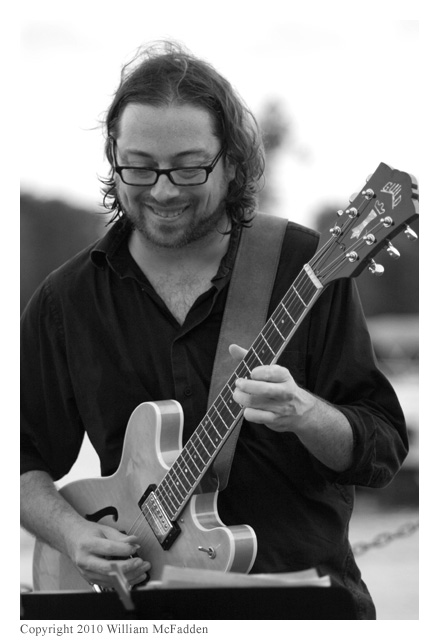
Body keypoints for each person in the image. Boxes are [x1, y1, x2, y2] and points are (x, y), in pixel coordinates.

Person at [20, 41, 408, 620]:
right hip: (138, 616)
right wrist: (74, 534)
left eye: (189, 166)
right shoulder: (68, 299)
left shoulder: (306, 267)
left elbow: (382, 447)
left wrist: (305, 413)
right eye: (139, 166)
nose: (163, 190)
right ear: (113, 156)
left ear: (231, 161)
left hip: (298, 612)